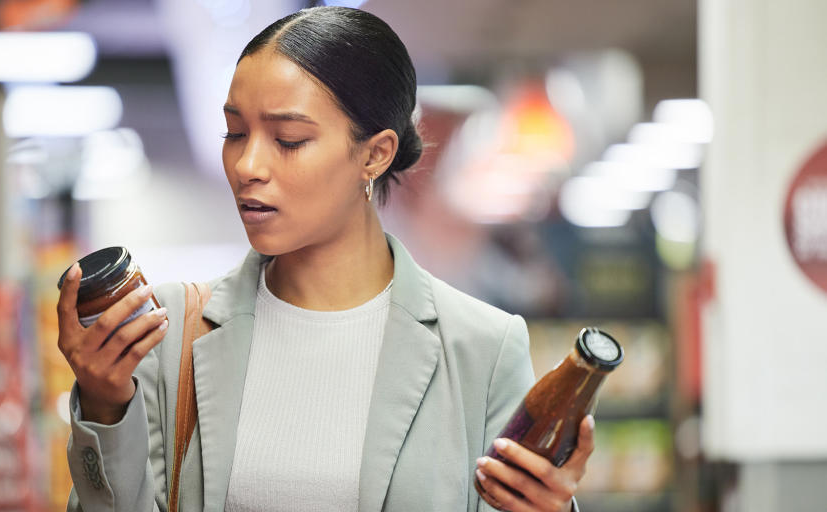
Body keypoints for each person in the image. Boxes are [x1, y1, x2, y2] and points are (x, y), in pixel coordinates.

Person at [56, 6, 594, 512]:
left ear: (375, 153)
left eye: (288, 139)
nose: (247, 165)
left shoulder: (482, 348)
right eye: (235, 133)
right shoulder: (170, 332)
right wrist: (105, 409)